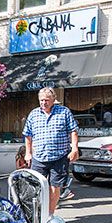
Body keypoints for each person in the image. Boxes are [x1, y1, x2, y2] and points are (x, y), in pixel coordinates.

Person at [23, 87, 79, 215]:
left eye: (47, 100)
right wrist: (28, 153)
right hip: (39, 157)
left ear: (53, 99)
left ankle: (50, 214)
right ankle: (37, 213)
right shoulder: (34, 114)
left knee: (55, 186)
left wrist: (75, 148)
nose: (44, 103)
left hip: (59, 156)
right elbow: (28, 135)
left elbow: (73, 131)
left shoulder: (64, 112)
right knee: (35, 186)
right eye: (41, 100)